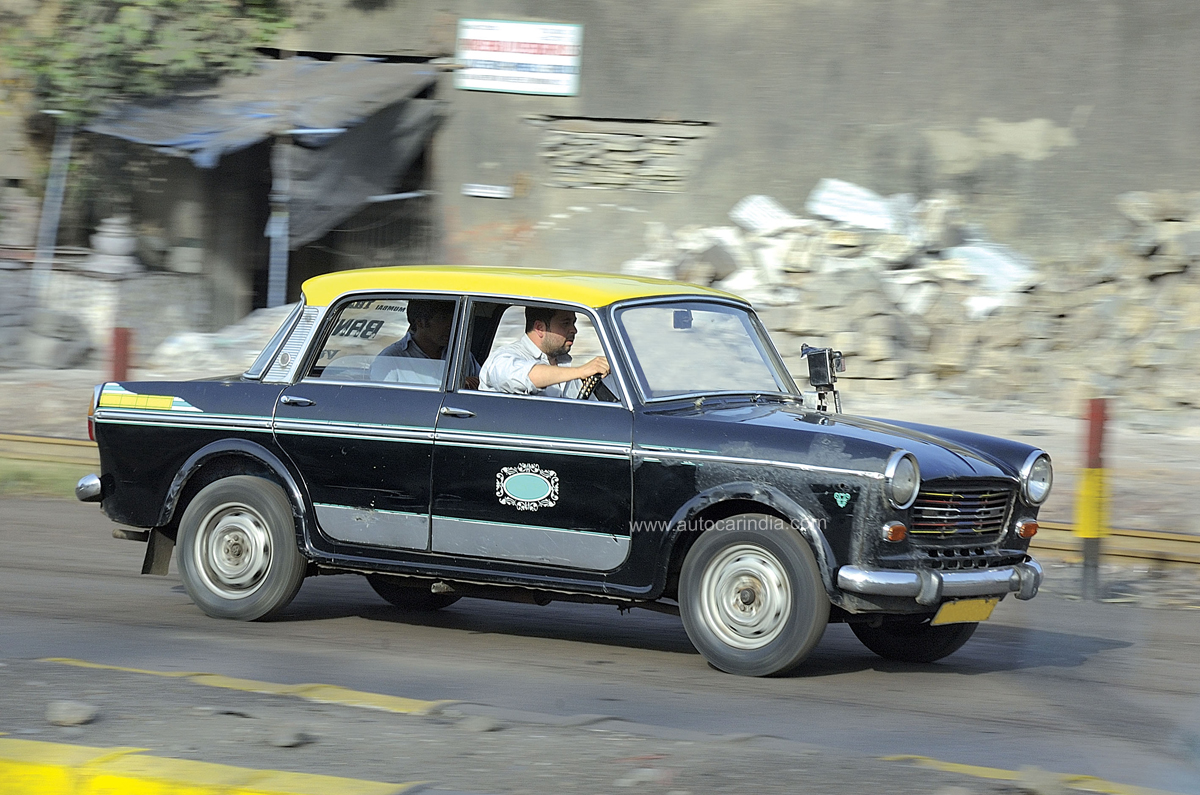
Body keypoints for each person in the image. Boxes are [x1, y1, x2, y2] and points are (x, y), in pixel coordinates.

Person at [479, 307, 609, 398]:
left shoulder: (564, 364)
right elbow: (525, 377)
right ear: (540, 328)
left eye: (573, 323)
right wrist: (580, 372)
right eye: (566, 323)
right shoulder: (503, 358)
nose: (574, 330)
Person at [371, 300, 480, 388]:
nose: (450, 326)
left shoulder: (459, 353)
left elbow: (484, 384)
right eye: (443, 319)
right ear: (420, 322)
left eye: (453, 320)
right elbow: (384, 402)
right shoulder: (391, 359)